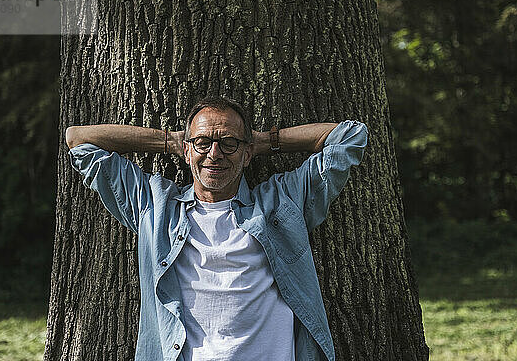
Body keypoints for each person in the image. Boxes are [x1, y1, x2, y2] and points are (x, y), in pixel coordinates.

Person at [65, 96, 368, 361]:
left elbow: (349, 136)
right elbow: (79, 139)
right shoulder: (155, 207)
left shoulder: (281, 201)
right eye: (202, 143)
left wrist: (261, 141)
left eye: (228, 143)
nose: (214, 154)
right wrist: (172, 141)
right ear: (187, 150)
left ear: (247, 153)